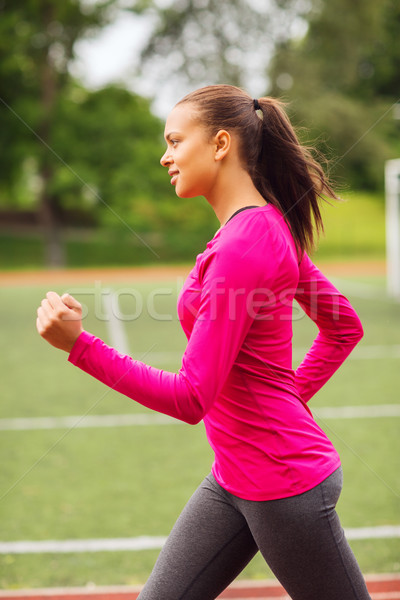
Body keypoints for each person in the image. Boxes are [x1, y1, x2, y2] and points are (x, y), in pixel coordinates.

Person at [36, 84, 371, 600]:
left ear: (219, 144)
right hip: (235, 478)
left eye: (174, 140)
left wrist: (80, 346)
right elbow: (343, 326)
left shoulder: (245, 246)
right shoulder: (261, 226)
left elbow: (191, 397)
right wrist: (283, 404)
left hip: (284, 486)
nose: (164, 156)